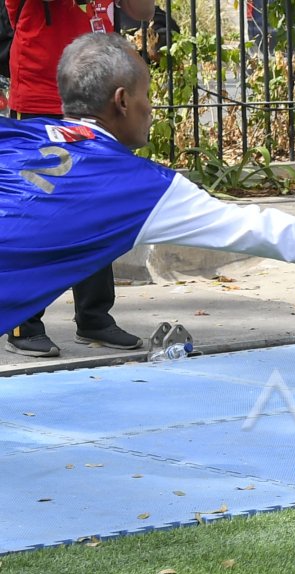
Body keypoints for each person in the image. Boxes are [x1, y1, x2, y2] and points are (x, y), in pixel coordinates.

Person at [0, 33, 295, 338]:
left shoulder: (16, 134)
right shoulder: (146, 189)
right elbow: (256, 229)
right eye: (146, 96)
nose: (151, 108)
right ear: (122, 101)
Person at [5, 0, 156, 357]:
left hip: (98, 93)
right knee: (37, 211)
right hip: (43, 89)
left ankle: (95, 318)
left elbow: (144, 12)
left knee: (99, 205)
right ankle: (23, 322)